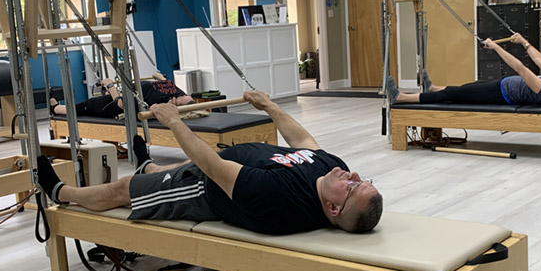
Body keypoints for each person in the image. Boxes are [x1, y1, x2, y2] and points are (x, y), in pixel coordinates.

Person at [37, 90, 383, 236]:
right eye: (360, 177)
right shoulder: (330, 169)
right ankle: (150, 168)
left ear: (334, 209)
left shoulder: (280, 197)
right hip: (215, 171)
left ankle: (61, 192)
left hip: (204, 187)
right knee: (161, 173)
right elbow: (304, 142)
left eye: (352, 186)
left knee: (125, 188)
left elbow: (209, 164)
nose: (350, 173)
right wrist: (270, 107)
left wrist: (172, 121)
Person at [388, 33, 541, 106]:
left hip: (500, 94)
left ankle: (402, 98)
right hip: (501, 85)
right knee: (465, 88)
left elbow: (520, 68)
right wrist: (524, 42)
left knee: (452, 95)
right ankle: (433, 87)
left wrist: (495, 47)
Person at [50, 71, 193, 118]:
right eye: (176, 100)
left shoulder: (159, 104)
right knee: (85, 105)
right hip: (122, 96)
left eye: (176, 105)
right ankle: (57, 108)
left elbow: (121, 104)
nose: (174, 101)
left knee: (85, 106)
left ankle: (56, 109)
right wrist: (159, 76)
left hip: (113, 106)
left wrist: (110, 85)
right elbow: (166, 82)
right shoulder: (177, 92)